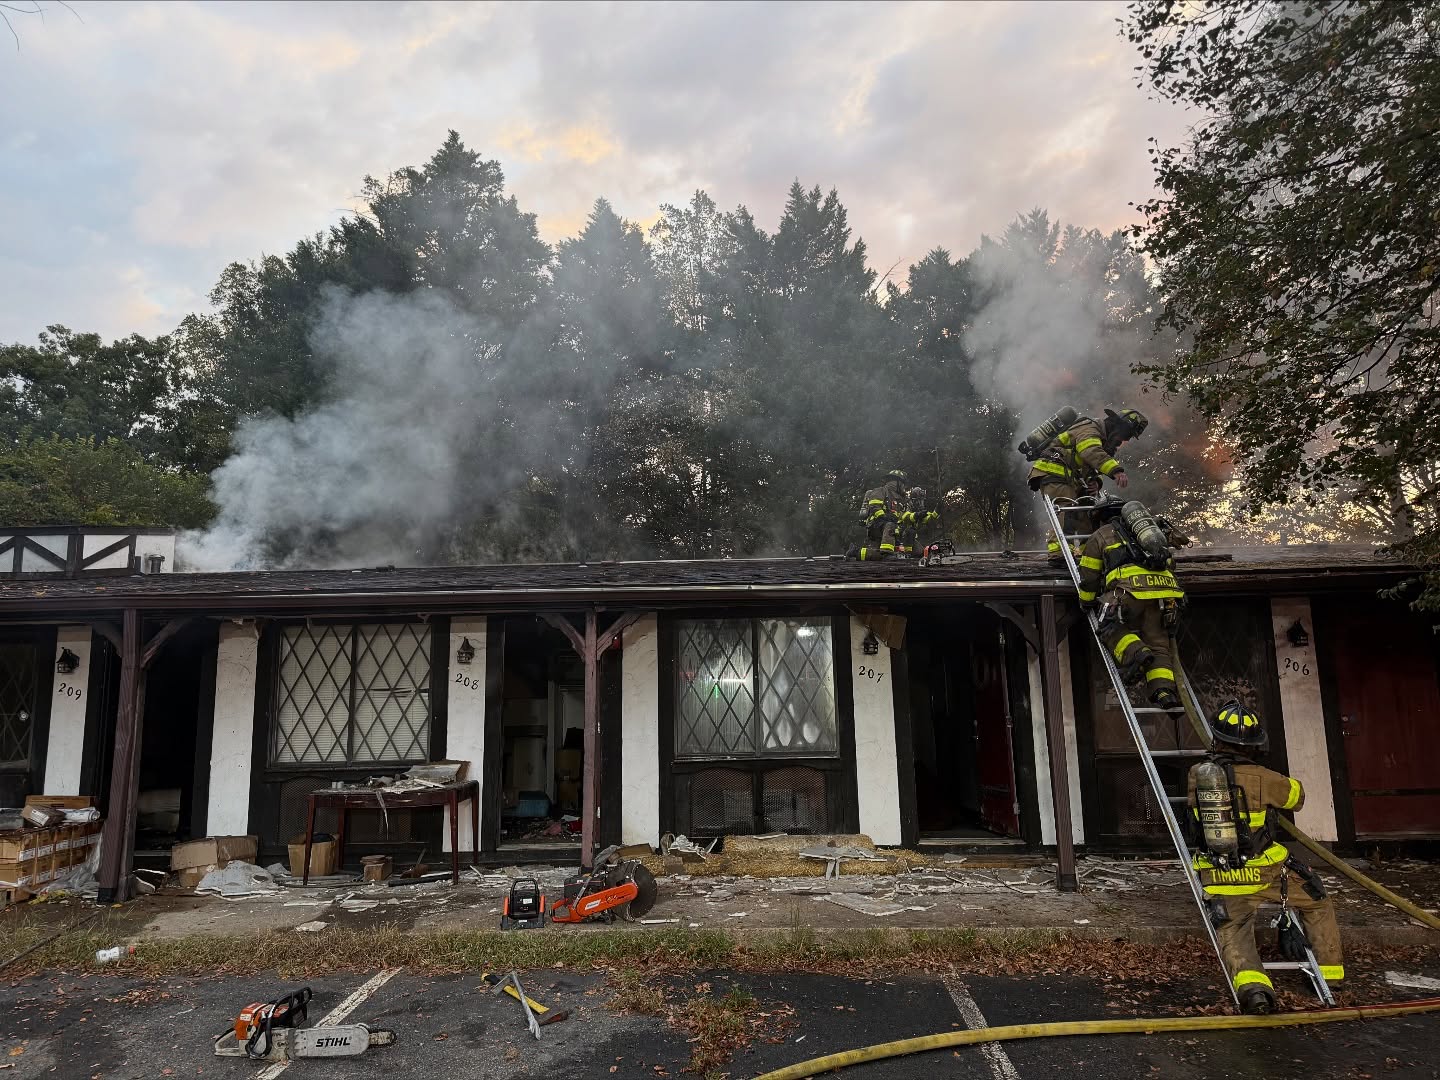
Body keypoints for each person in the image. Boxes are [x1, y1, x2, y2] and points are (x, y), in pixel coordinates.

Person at [1187, 701, 1344, 1014]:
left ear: (1217, 739)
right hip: (1267, 872)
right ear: (1255, 745)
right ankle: (1330, 977)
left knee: (1234, 930)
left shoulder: (1198, 775)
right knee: (1317, 899)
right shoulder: (1264, 777)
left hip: (1219, 876)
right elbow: (1297, 797)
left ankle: (1255, 990)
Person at [1076, 496, 1186, 707]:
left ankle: (1136, 654)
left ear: (1101, 517)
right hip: (1166, 595)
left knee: (1108, 626)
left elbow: (1089, 576)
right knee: (1159, 645)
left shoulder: (1102, 534)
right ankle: (1164, 692)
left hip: (1127, 591)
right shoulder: (1152, 534)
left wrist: (1086, 601)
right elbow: (1171, 564)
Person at [1027, 407, 1148, 558]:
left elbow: (1091, 466)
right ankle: (1059, 553)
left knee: (1089, 515)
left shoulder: (1101, 440)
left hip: (1071, 477)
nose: (1126, 439)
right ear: (1116, 425)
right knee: (1066, 511)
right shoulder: (1090, 428)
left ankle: (1089, 553)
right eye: (1127, 434)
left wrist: (1096, 481)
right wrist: (1116, 470)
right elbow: (1089, 451)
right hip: (1054, 470)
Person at [849, 469, 909, 561]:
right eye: (902, 483)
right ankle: (887, 553)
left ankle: (856, 552)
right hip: (876, 525)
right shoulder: (881, 491)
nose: (903, 486)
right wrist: (883, 516)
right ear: (897, 482)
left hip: (890, 529)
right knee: (891, 526)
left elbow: (901, 515)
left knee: (883, 553)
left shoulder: (899, 498)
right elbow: (874, 505)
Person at [895, 486, 939, 557]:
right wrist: (917, 515)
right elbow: (905, 517)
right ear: (914, 499)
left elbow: (927, 519)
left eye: (922, 500)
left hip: (911, 539)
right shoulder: (906, 505)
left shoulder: (919, 509)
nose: (921, 503)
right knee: (910, 530)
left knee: (920, 553)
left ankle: (911, 552)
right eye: (919, 500)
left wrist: (936, 511)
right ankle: (907, 554)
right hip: (900, 535)